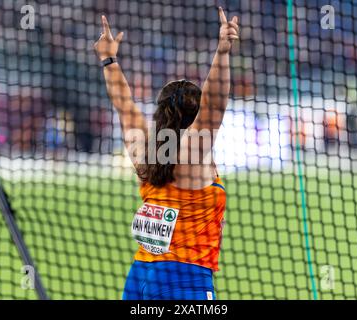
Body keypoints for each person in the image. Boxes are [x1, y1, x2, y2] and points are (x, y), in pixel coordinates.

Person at [94, 7, 239, 300]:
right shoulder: (192, 152)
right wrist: (222, 52)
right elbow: (214, 106)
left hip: (140, 276)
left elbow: (124, 104)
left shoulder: (146, 151)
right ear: (194, 114)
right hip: (184, 279)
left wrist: (108, 59)